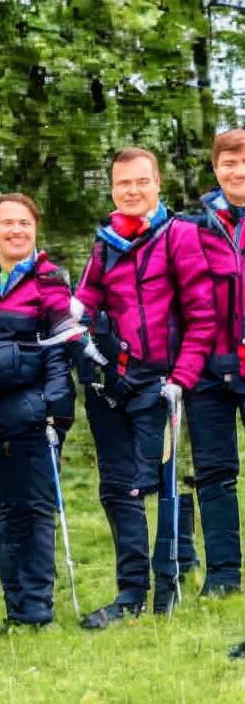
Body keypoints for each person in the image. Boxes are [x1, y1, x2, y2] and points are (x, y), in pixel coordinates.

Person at [75, 148, 215, 627]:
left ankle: (171, 576)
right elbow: (84, 302)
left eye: (140, 182)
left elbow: (202, 315)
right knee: (117, 487)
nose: (131, 191)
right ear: (113, 188)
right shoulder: (105, 242)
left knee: (158, 481)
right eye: (122, 184)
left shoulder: (180, 236)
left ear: (157, 183)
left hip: (162, 383)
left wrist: (183, 378)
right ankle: (130, 593)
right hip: (111, 380)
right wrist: (74, 325)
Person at [0, 194, 77, 629]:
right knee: (7, 513)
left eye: (23, 222)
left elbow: (63, 350)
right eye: (6, 223)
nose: (15, 230)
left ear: (34, 228)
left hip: (36, 417)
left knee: (37, 511)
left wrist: (54, 412)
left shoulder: (50, 280)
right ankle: (15, 608)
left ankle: (38, 610)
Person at [179, 128, 245, 598]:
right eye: (228, 162)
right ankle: (223, 575)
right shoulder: (191, 229)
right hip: (206, 370)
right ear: (215, 169)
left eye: (244, 161)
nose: (237, 171)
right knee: (214, 473)